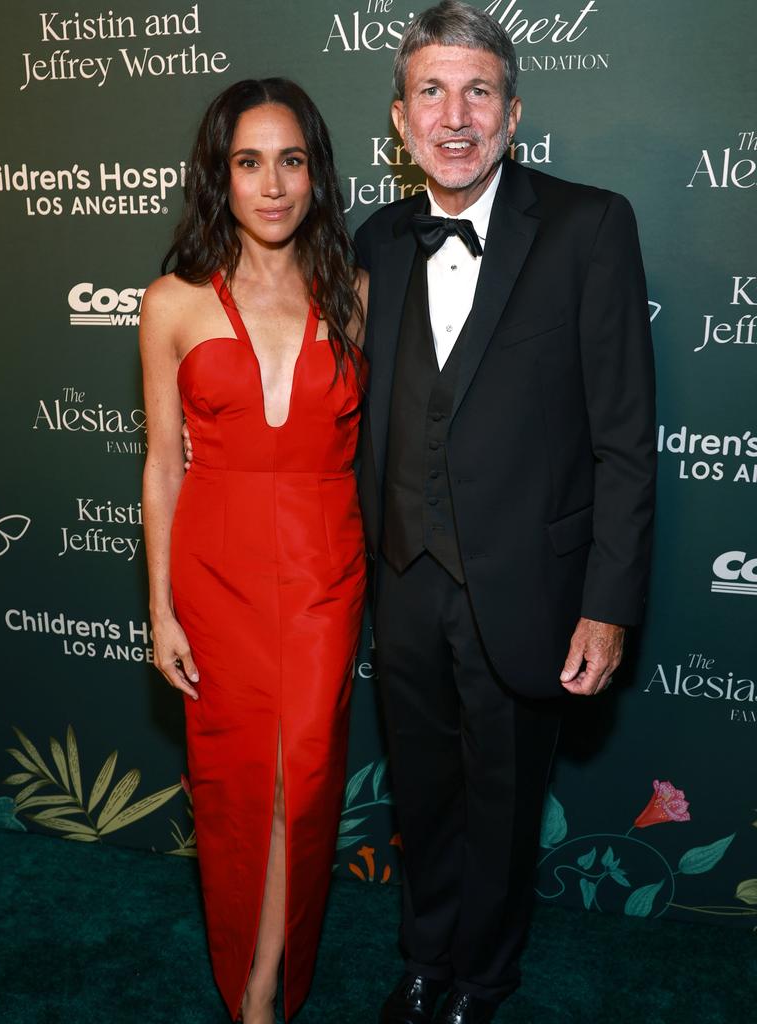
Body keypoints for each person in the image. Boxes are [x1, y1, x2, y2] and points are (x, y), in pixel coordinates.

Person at [353, 3, 656, 1022]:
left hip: (529, 587)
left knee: (503, 801)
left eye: (477, 91)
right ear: (399, 121)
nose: (454, 116)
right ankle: (425, 959)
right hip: (401, 583)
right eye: (431, 92)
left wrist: (608, 606)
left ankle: (483, 975)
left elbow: (624, 435)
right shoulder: (374, 241)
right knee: (424, 794)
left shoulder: (589, 224)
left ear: (513, 112)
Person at [140, 78, 367, 1024]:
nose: (271, 185)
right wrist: (159, 607)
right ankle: (256, 997)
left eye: (291, 160)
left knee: (304, 780)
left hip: (324, 569)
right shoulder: (172, 302)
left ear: (315, 172)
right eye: (247, 162)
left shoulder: (355, 292)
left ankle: (269, 981)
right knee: (240, 788)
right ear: (218, 176)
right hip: (215, 571)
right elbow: (161, 465)